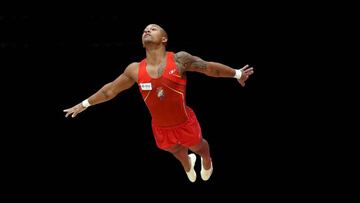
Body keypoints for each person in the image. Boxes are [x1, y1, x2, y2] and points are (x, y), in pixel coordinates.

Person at [63, 24, 254, 182]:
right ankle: (186, 162)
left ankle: (205, 159)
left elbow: (210, 68)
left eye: (153, 29)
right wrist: (84, 104)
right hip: (160, 128)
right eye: (145, 29)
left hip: (185, 122)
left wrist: (237, 73)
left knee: (199, 146)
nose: (147, 30)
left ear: (164, 38)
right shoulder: (135, 70)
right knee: (175, 150)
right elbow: (109, 90)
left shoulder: (179, 59)